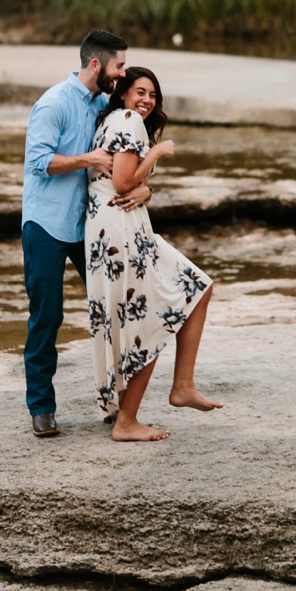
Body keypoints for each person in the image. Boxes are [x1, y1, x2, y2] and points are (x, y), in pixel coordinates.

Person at [20, 29, 149, 438]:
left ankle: (117, 403)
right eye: (119, 65)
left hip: (88, 225)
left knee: (114, 308)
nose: (123, 73)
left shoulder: (102, 104)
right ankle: (41, 407)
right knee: (48, 315)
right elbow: (38, 162)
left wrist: (145, 187)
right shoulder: (53, 102)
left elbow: (125, 168)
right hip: (45, 224)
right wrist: (86, 159)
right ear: (97, 64)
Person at [85, 66, 221, 441]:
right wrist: (158, 151)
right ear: (125, 94)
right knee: (151, 315)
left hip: (117, 224)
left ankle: (182, 386)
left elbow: (132, 181)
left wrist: (147, 190)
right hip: (119, 229)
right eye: (140, 92)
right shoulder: (128, 120)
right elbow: (124, 181)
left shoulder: (114, 119)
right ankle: (127, 421)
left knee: (197, 287)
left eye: (153, 95)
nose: (146, 100)